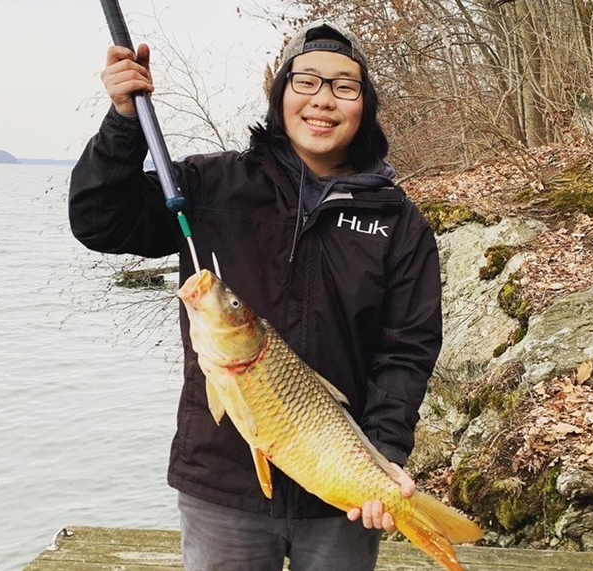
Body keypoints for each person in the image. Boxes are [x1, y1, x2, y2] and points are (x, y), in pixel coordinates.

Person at [69, 20, 442, 571]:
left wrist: (383, 454)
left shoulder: (399, 223)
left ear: (365, 106)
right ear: (281, 95)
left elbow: (406, 349)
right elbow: (100, 220)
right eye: (307, 81)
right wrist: (124, 124)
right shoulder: (210, 184)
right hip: (221, 486)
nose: (323, 100)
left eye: (345, 86)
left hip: (338, 488)